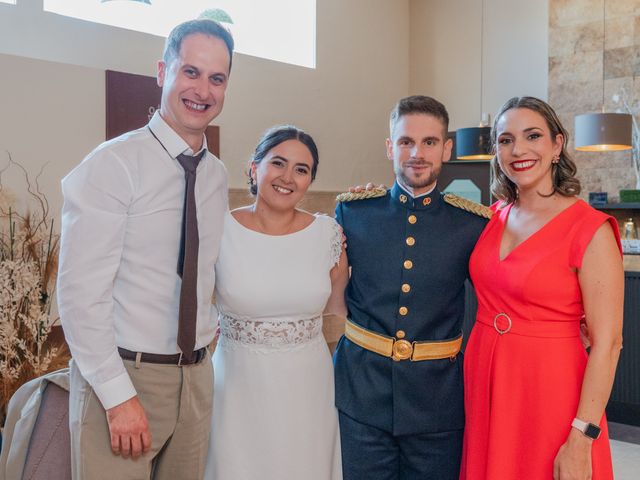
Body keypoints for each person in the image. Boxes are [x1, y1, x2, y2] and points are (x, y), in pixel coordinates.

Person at [57, 19, 233, 479]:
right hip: (124, 378)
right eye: (190, 72)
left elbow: (205, 269)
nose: (203, 90)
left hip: (196, 379)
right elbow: (79, 297)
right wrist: (118, 396)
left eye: (217, 78)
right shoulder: (112, 165)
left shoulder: (216, 176)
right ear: (162, 72)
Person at [460, 96, 623, 480]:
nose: (518, 150)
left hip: (550, 387)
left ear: (557, 145)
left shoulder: (590, 228)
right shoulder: (493, 216)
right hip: (487, 380)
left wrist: (583, 436)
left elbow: (608, 344)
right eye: (505, 140)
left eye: (532, 136)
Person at [333, 95, 491, 480]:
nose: (417, 153)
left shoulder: (472, 224)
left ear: (446, 149)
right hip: (361, 394)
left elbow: (500, 292)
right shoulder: (354, 212)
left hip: (438, 400)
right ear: (390, 147)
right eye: (406, 141)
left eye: (430, 142)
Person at [204, 125, 348, 480]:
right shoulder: (219, 230)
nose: (288, 177)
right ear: (255, 168)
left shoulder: (328, 234)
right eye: (278, 163)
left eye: (301, 170)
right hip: (237, 386)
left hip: (308, 388)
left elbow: (341, 307)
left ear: (310, 180)